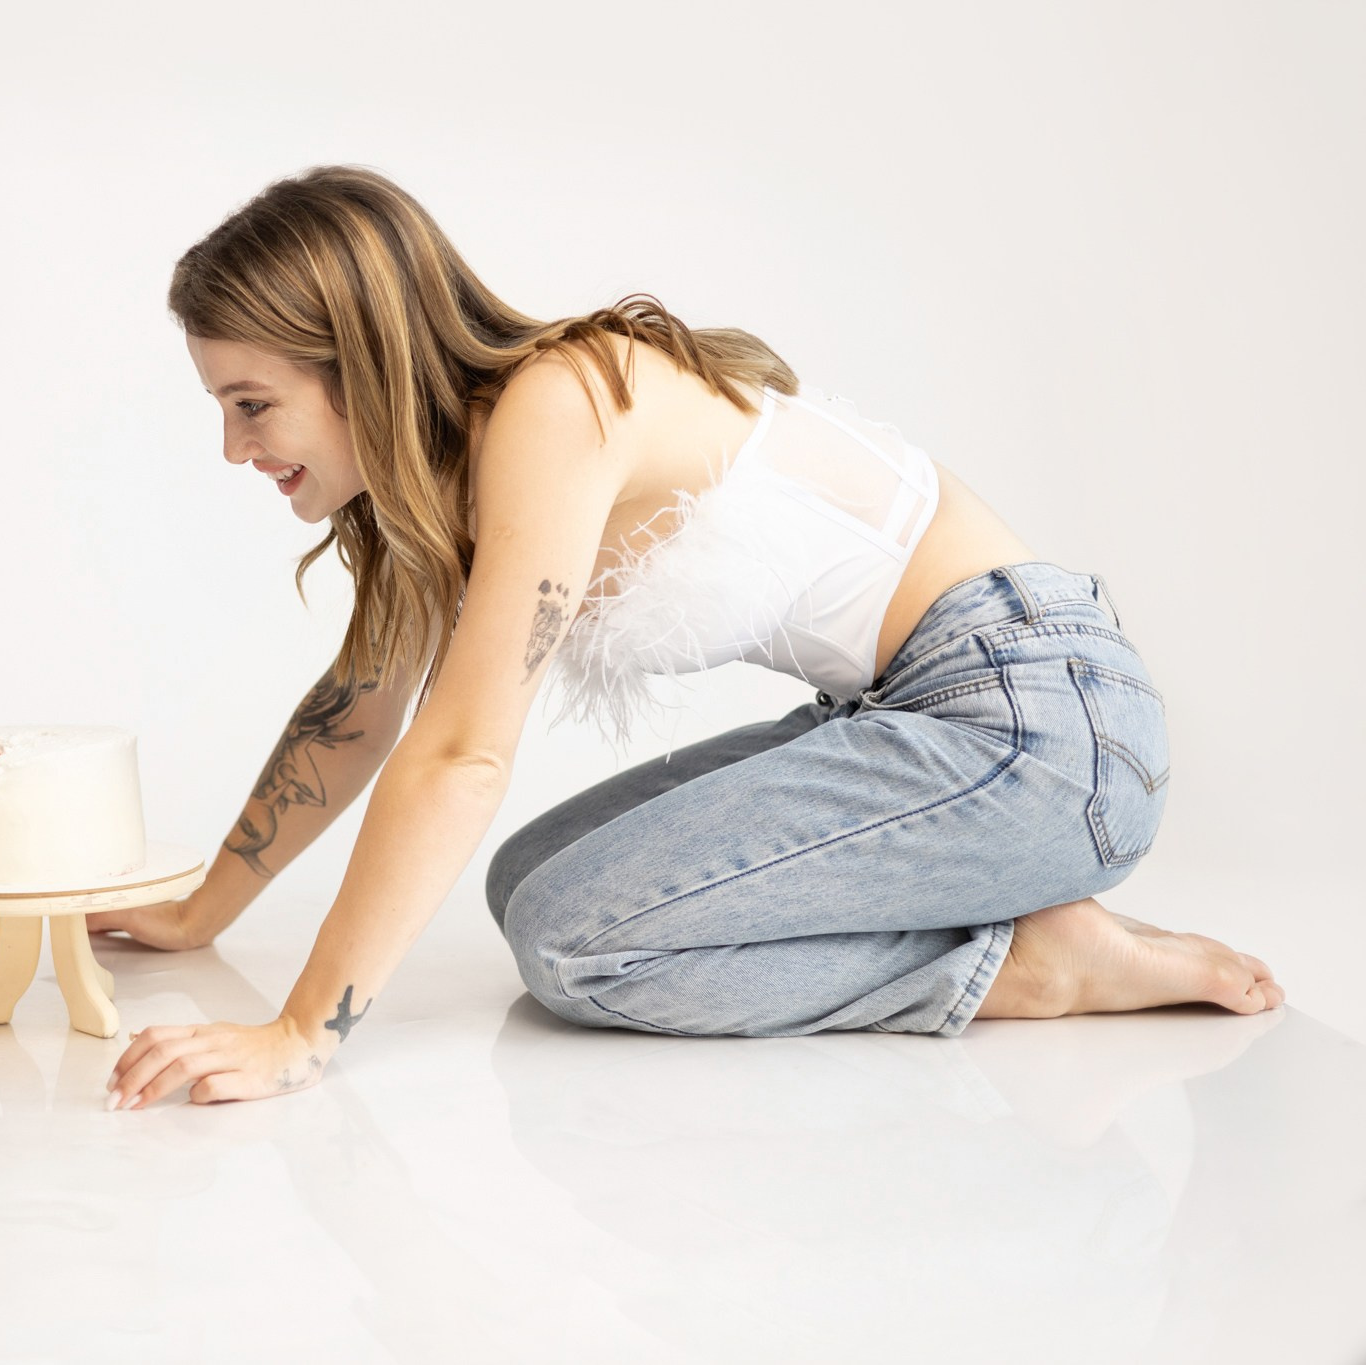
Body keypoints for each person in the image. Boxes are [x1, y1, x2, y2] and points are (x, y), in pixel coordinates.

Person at [97, 166, 1281, 1111]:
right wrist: (204, 911)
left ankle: (1027, 966)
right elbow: (360, 710)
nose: (233, 449)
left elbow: (461, 754)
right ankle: (1021, 931)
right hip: (939, 720)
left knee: (578, 943)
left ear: (361, 362)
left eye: (251, 403)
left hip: (1040, 728)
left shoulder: (560, 400)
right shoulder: (446, 487)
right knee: (526, 885)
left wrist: (302, 1033)